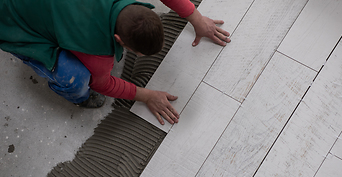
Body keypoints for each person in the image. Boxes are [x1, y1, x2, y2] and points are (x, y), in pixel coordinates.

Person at [0, 0, 230, 125]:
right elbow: (104, 84)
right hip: (11, 18)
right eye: (136, 52)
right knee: (76, 78)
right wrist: (146, 95)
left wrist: (195, 18)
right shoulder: (96, 54)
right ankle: (78, 98)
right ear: (118, 40)